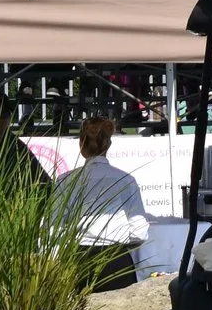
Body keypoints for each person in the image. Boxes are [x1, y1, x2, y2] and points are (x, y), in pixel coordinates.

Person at [59, 116, 149, 291]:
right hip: (117, 261)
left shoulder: (65, 181)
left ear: (81, 144)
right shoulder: (126, 180)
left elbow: (54, 228)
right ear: (108, 144)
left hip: (78, 260)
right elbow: (140, 231)